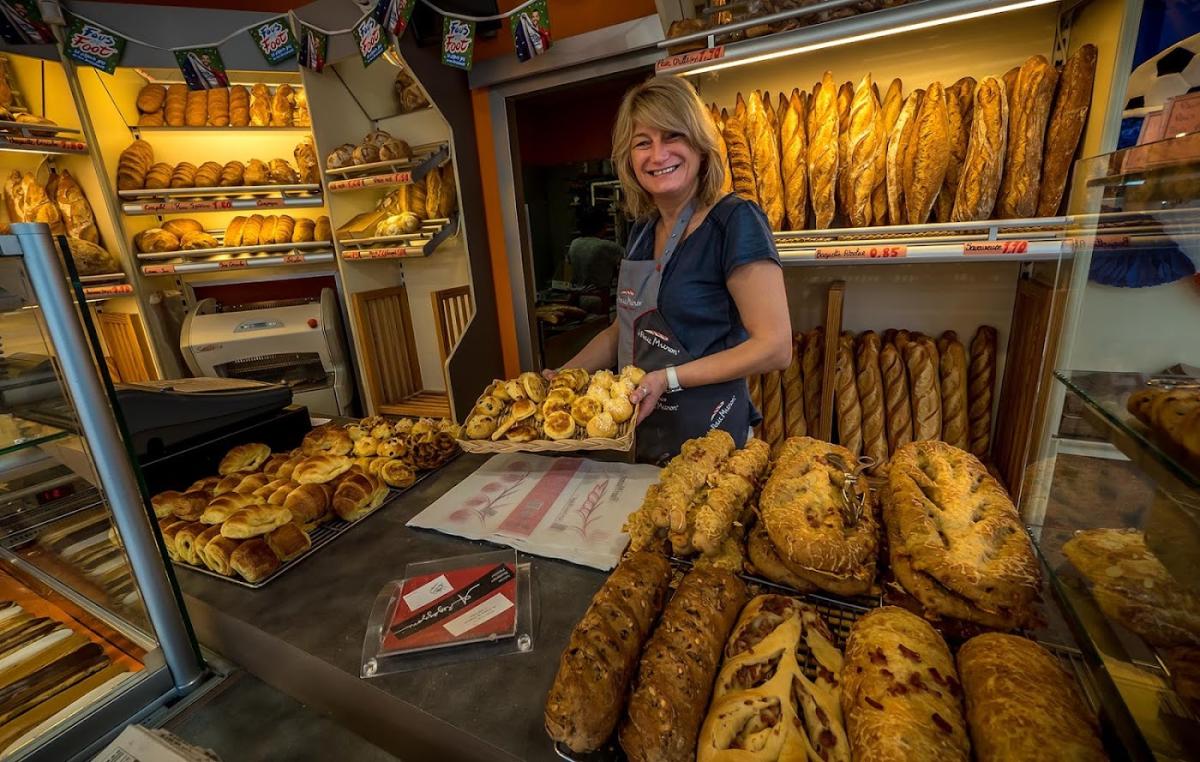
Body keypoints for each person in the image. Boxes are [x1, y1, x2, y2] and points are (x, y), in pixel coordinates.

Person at [549, 76, 792, 463]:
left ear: (699, 145)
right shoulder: (643, 230)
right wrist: (560, 378)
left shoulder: (734, 221)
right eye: (643, 143)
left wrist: (668, 378)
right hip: (645, 431)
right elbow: (623, 330)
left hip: (712, 437)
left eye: (672, 137)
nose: (657, 155)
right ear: (628, 158)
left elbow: (775, 348)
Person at [566, 209, 623, 293]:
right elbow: (630, 264)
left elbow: (568, 269)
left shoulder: (574, 243)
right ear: (604, 226)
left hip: (575, 296)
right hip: (599, 297)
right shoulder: (606, 246)